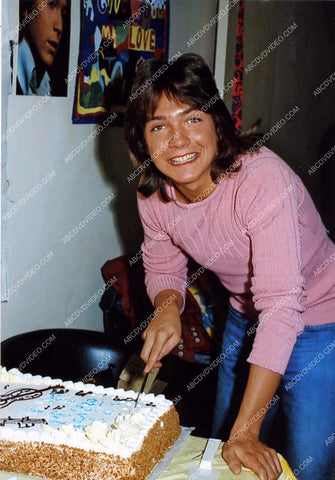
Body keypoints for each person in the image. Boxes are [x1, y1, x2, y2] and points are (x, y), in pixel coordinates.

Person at [124, 53, 335, 480]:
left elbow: (281, 307)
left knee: (309, 462)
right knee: (222, 451)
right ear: (141, 142)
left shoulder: (261, 181)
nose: (178, 140)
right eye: (159, 126)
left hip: (319, 317)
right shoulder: (153, 193)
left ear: (218, 123)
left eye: (193, 119)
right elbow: (163, 264)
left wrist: (247, 429)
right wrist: (167, 306)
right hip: (245, 314)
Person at [17, 0, 68, 96]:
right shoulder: (8, 72)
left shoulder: (46, 87)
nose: (59, 27)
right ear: (26, 10)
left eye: (64, 14)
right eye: (51, 4)